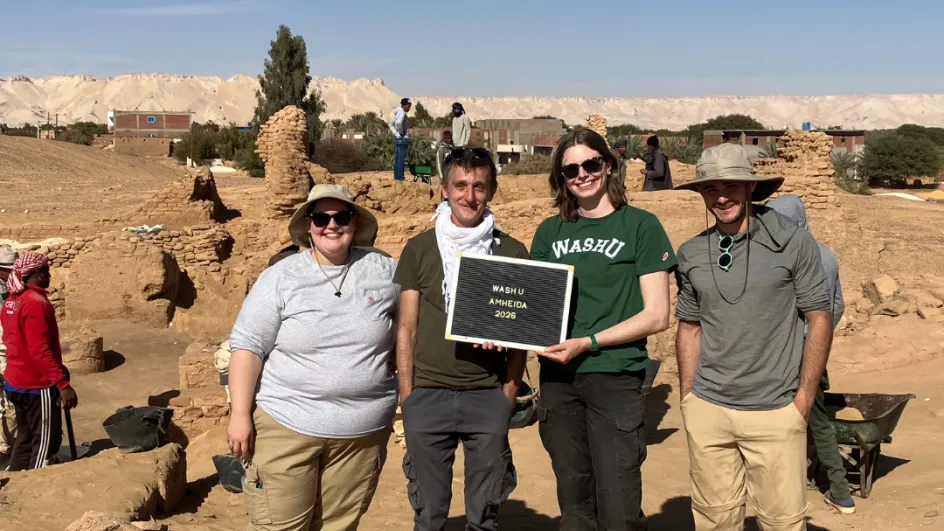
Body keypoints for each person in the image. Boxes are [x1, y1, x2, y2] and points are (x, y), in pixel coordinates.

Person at [673, 143, 833, 531]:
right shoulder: (692, 252)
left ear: (750, 188)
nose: (721, 196)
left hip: (775, 410)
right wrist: (689, 399)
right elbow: (689, 327)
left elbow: (819, 318)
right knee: (714, 520)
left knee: (781, 522)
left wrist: (804, 398)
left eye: (731, 185)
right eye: (710, 188)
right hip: (710, 408)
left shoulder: (793, 243)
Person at [227, 184, 399, 531]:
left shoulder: (385, 272)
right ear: (308, 225)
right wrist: (240, 414)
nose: (331, 226)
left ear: (354, 222)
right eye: (321, 217)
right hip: (288, 425)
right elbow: (248, 346)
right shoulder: (280, 277)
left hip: (361, 434)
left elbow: (414, 329)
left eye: (341, 217)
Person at [529, 127, 676, 530]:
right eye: (570, 169)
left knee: (618, 498)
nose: (581, 174)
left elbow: (657, 315)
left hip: (615, 374)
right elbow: (533, 306)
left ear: (608, 165)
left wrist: (589, 342)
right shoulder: (549, 231)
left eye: (590, 164)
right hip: (559, 379)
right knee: (574, 497)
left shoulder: (640, 226)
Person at [395, 146, 527, 531]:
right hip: (428, 397)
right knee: (429, 512)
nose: (470, 196)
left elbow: (520, 334)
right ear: (444, 189)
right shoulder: (420, 249)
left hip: (487, 396)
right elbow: (406, 327)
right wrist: (409, 397)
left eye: (480, 187)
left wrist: (508, 393)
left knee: (485, 513)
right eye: (461, 185)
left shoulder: (512, 251)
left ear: (492, 192)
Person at [767, 194, 854, 515]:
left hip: (789, 352)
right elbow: (837, 306)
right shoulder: (827, 255)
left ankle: (839, 489)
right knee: (811, 416)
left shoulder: (789, 257)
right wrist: (821, 338)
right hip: (815, 350)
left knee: (808, 418)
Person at [2, 253, 78, 471]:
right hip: (35, 384)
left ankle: (16, 476)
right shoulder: (36, 303)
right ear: (37, 274)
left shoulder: (12, 300)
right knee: (43, 442)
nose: (49, 275)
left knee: (25, 436)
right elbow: (39, 351)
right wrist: (62, 384)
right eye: (46, 271)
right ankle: (34, 487)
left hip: (15, 379)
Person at [0, 245, 19, 460]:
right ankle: (7, 449)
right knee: (10, 402)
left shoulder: (9, 288)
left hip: (6, 352)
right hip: (4, 354)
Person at [389, 97, 412, 181]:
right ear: (404, 105)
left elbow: (390, 124)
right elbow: (398, 122)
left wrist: (396, 133)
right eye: (408, 106)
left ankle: (397, 177)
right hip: (402, 139)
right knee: (401, 158)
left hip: (399, 138)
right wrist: (401, 132)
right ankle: (400, 177)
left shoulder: (397, 113)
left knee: (398, 158)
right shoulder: (401, 112)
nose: (409, 108)